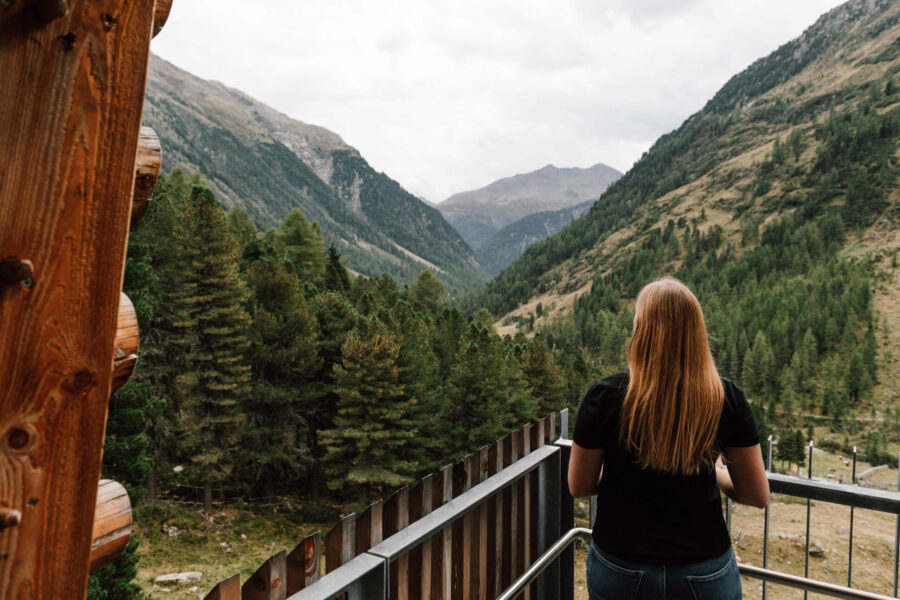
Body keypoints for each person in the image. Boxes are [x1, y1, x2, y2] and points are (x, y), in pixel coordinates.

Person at [568, 277, 769, 600]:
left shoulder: (603, 397)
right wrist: (717, 474)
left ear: (642, 331)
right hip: (703, 568)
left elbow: (580, 486)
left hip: (621, 565)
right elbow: (756, 495)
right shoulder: (726, 398)